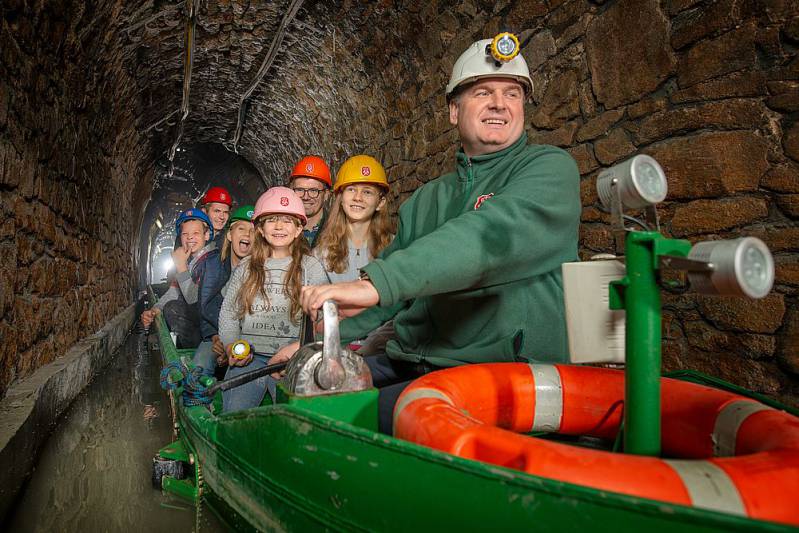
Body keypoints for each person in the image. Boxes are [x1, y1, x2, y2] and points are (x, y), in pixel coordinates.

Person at [299, 34, 581, 434]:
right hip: (413, 360)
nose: (499, 103)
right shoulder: (428, 199)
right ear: (453, 111)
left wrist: (376, 284)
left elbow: (489, 236)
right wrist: (318, 343)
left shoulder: (549, 170)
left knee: (343, 424)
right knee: (308, 395)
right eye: (483, 92)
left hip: (496, 371)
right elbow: (392, 290)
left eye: (512, 94)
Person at [218, 188, 328, 411]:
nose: (279, 227)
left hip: (292, 358)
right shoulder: (246, 267)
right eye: (271, 220)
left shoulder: (310, 267)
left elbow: (324, 316)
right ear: (260, 228)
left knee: (300, 417)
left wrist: (303, 349)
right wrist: (231, 345)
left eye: (287, 221)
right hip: (250, 357)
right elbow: (229, 312)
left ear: (299, 229)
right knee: (235, 415)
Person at [314, 154, 396, 355]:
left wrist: (373, 343)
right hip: (333, 349)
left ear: (380, 202)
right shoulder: (320, 254)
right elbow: (316, 314)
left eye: (367, 192)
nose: (358, 197)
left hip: (381, 351)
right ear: (340, 198)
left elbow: (400, 307)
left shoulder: (395, 248)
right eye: (351, 189)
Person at [193, 205, 255, 377]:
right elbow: (205, 306)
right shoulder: (213, 265)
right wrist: (216, 337)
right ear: (229, 235)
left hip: (248, 338)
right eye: (241, 228)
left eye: (253, 231)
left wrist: (235, 342)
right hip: (215, 335)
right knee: (199, 368)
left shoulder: (263, 268)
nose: (247, 234)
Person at [141, 208, 216, 348]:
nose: (190, 238)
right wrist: (155, 310)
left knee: (173, 308)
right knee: (171, 306)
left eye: (196, 233)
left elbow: (194, 300)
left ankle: (190, 351)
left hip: (210, 330)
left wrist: (181, 266)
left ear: (206, 235)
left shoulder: (213, 261)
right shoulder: (188, 261)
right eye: (185, 234)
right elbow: (173, 293)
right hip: (197, 325)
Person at [287, 155, 332, 247]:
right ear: (291, 191)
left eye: (313, 190)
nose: (306, 197)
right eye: (300, 190)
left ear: (326, 194)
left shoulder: (338, 229)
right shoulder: (282, 230)